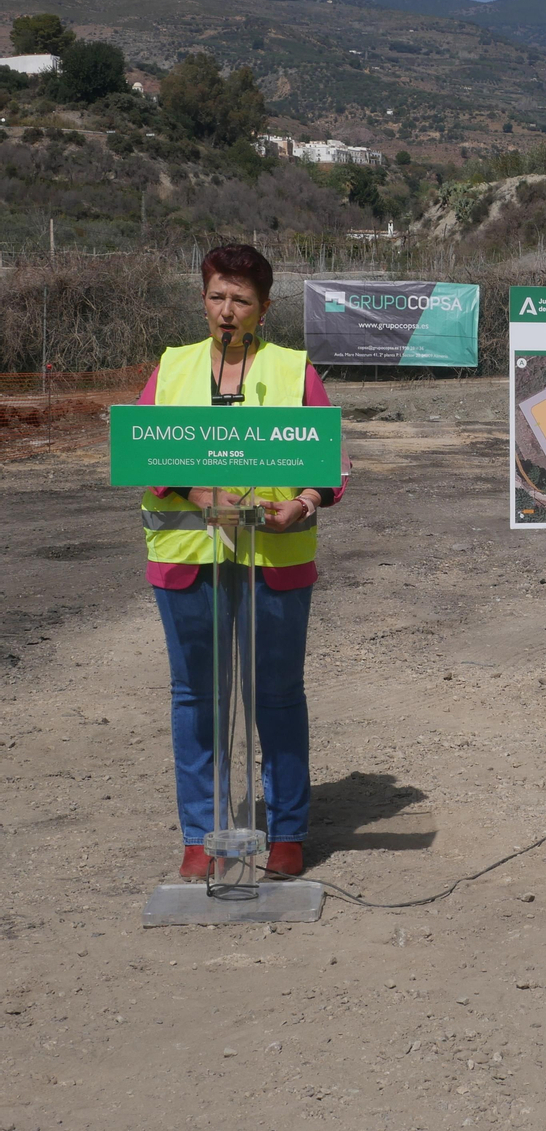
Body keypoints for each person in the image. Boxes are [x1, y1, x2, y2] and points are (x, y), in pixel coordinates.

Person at [137, 244, 344, 880]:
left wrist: (304, 503)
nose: (227, 310)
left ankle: (286, 833)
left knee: (276, 697)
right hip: (187, 561)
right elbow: (139, 449)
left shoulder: (294, 370)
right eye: (217, 296)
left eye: (241, 300)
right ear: (203, 300)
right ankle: (202, 836)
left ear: (264, 308)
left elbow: (331, 463)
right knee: (196, 698)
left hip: (273, 562)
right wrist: (195, 490)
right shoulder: (172, 368)